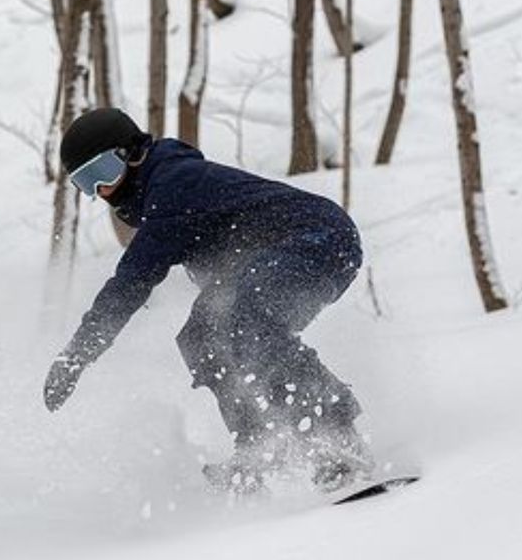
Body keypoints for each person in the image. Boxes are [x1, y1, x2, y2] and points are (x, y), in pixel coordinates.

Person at [41, 108, 372, 493]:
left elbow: (129, 283)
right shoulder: (158, 190)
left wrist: (78, 354)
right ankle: (258, 445)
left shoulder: (173, 186)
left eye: (103, 172)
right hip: (268, 257)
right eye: (87, 183)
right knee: (201, 336)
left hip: (318, 237)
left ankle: (336, 435)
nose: (101, 191)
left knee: (249, 321)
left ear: (131, 153)